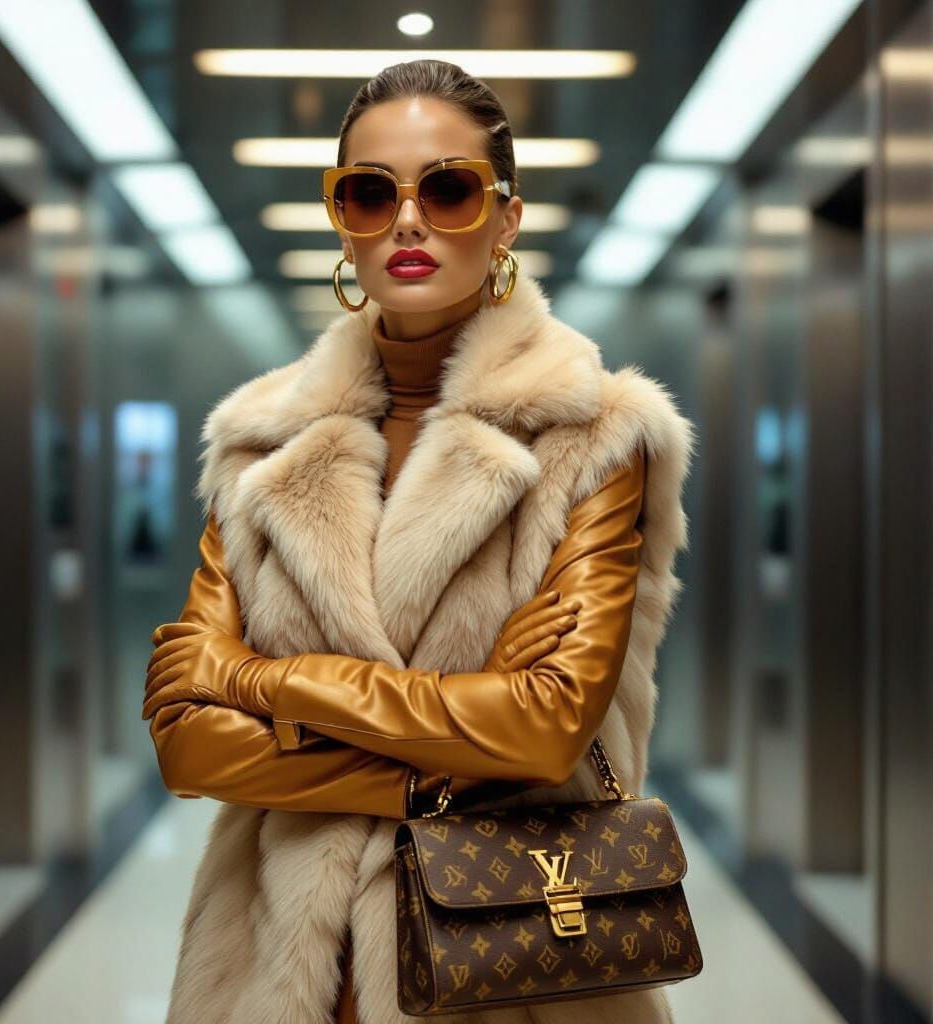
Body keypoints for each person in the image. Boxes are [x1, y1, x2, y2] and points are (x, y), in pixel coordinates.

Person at [142, 59, 695, 1024]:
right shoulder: (256, 444)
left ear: (506, 219)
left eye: (447, 189)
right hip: (284, 966)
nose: (407, 220)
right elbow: (189, 748)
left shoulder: (595, 434)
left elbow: (549, 726)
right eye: (369, 192)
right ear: (340, 219)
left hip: (516, 953)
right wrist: (464, 745)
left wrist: (261, 683)